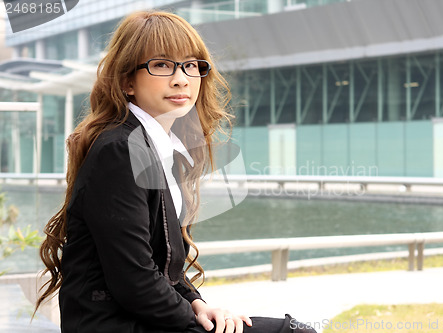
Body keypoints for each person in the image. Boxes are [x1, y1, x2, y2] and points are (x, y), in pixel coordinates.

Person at [35, 11, 317, 333]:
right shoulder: (121, 150)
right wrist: (198, 321)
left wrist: (198, 304)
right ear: (127, 81)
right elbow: (134, 278)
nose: (181, 78)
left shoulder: (158, 148)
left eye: (191, 65)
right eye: (161, 65)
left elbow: (161, 265)